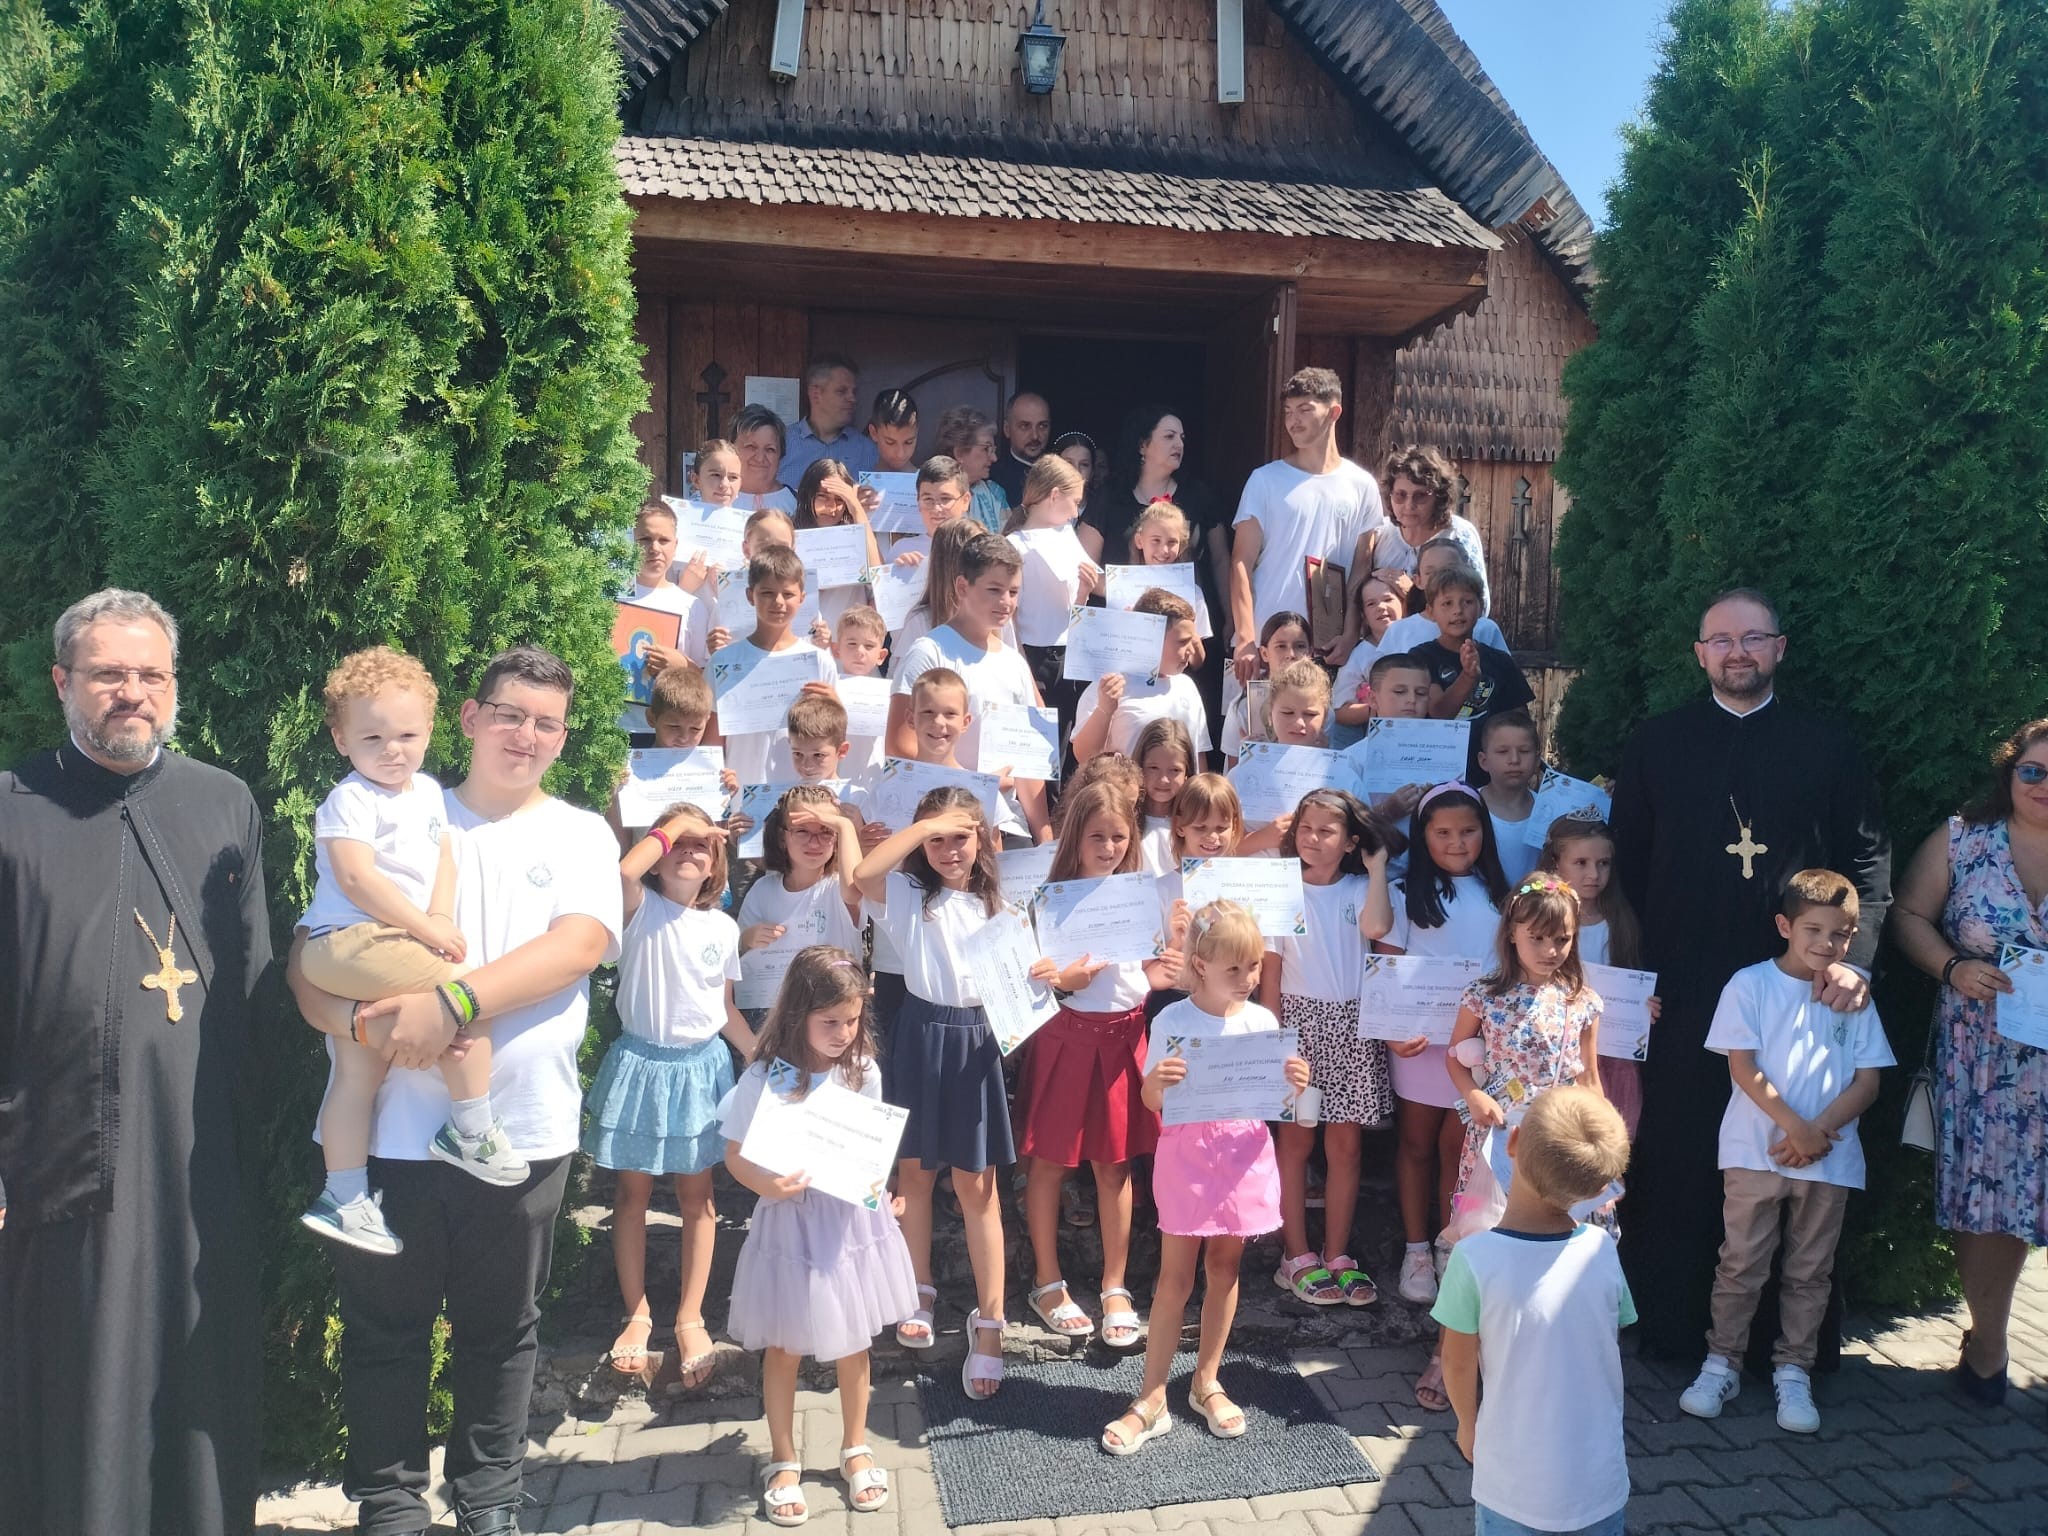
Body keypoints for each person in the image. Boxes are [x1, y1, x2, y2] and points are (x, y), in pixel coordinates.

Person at [286, 645, 621, 1536]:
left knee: (501, 1331)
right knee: (384, 1332)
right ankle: (391, 1507)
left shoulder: (580, 833)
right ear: (469, 719)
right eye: (510, 714)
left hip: (521, 1130)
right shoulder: (398, 808)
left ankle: (489, 1502)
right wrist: (361, 1026)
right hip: (390, 1134)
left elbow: (578, 947)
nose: (527, 735)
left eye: (547, 723)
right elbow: (307, 961)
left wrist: (451, 1003)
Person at [0, 589, 271, 1536]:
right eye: (109, 673)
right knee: (81, 1392)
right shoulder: (11, 809)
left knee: (199, 1387)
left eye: (152, 674)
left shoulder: (223, 801)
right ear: (62, 681)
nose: (133, 692)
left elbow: (253, 985)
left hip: (198, 1162)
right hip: (56, 1165)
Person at [1610, 586, 1890, 1362]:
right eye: (1722, 641)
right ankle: (1675, 1333)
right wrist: (1632, 983)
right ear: (1700, 654)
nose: (1737, 653)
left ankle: (1785, 1350)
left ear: (1779, 648)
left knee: (1790, 1150)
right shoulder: (1657, 743)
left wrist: (1854, 965)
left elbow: (1868, 861)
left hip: (1803, 991)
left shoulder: (1827, 747)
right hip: (1683, 988)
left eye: (1753, 638)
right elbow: (1624, 870)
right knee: (1681, 1154)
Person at [298, 648, 517, 1260]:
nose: (392, 750)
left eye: (407, 735)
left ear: (429, 731)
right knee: (468, 995)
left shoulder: (426, 793)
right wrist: (425, 928)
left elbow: (443, 860)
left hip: (381, 947)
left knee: (357, 1073)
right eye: (372, 738)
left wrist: (440, 917)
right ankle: (470, 1126)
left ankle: (343, 1197)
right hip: (349, 943)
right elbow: (357, 878)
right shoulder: (351, 799)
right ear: (341, 740)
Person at [852, 790, 1059, 1399]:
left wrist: (1047, 975)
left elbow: (1030, 982)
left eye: (960, 837)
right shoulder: (909, 896)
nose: (948, 850)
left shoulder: (1005, 908)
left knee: (978, 1185)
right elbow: (862, 873)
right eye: (936, 839)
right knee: (915, 1173)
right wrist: (925, 828)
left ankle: (989, 1320)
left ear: (984, 839)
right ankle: (918, 1289)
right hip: (919, 1034)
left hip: (976, 1042)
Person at [1676, 868, 1890, 1436]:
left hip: (1830, 1159)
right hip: (1754, 1152)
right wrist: (1797, 1129)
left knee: (1810, 1270)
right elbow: (1743, 1067)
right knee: (1740, 1263)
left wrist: (1818, 1132)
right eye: (1813, 929)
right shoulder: (1749, 984)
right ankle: (1721, 1362)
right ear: (1784, 925)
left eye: (1840, 934)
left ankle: (1794, 1369)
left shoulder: (1854, 995)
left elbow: (1868, 1082)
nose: (1826, 943)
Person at [1100, 901, 1310, 1454]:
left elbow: (1278, 1101)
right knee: (1174, 1278)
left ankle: (1206, 1380)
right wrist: (1159, 1081)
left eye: (1253, 966)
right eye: (1233, 968)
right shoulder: (1172, 1020)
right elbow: (1150, 1099)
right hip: (1188, 1158)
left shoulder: (1263, 1022)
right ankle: (1151, 1397)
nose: (1247, 978)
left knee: (1225, 1267)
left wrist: (1295, 1082)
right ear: (1200, 965)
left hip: (1244, 1155)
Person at [720, 945, 919, 1526]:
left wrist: (881, 1191)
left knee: (855, 1338)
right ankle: (783, 1459)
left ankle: (855, 1446)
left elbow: (870, 1148)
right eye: (829, 1021)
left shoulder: (863, 1071)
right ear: (798, 1013)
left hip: (850, 1225)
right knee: (784, 1346)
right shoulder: (766, 1076)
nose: (843, 1032)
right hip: (790, 1224)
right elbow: (734, 1155)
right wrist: (768, 1184)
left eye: (852, 1020)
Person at [1886, 716, 2048, 1407]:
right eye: (2033, 771)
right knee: (1987, 1203)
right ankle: (1988, 1343)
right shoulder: (1962, 841)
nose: (2043, 785)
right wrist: (1952, 967)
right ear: (2010, 774)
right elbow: (1907, 916)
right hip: (1984, 1060)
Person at [1017, 781, 1187, 1349]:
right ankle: (1047, 1282)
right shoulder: (1049, 898)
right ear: (1075, 837)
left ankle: (1115, 1285)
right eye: (1097, 836)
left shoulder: (1141, 895)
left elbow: (1143, 976)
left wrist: (1166, 964)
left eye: (1118, 837)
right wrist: (1064, 981)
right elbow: (1028, 981)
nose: (1109, 847)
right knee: (1049, 1163)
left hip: (1125, 1040)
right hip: (1067, 1039)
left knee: (1115, 1166)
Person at [585, 803, 749, 1389]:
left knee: (698, 1198)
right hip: (643, 1067)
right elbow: (620, 872)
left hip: (702, 1071)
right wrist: (676, 826)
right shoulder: (639, 907)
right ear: (658, 857)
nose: (689, 851)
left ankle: (689, 1316)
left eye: (703, 845)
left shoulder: (723, 928)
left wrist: (760, 1055)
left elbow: (724, 1009)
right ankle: (636, 1313)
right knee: (631, 1196)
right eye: (679, 843)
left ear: (717, 864)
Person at [1434, 1087, 1636, 1536]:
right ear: (1599, 1188)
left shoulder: (1473, 1258)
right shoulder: (1603, 1250)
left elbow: (1457, 1361)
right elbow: (1611, 1332)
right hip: (1599, 1478)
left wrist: (1467, 1424)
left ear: (1512, 1142)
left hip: (1512, 1484)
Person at [1374, 784, 1511, 1345]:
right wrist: (1393, 1031)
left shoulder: (1503, 895)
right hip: (1419, 1044)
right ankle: (1414, 1249)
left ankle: (1449, 1242)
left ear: (1485, 834)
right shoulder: (1406, 894)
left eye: (1468, 831)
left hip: (1474, 1046)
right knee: (1415, 1144)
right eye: (1443, 833)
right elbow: (1387, 965)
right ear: (1423, 836)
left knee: (1460, 1151)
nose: (1457, 842)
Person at [1264, 790, 1396, 1309]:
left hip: (1354, 1027)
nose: (1313, 839)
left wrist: (1378, 868)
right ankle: (1294, 1255)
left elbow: (1378, 928)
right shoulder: (1280, 892)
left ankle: (1337, 1254)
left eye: (1326, 831)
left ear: (1349, 841)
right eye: (1305, 829)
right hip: (1298, 1028)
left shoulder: (1362, 888)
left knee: (1346, 1148)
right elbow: (1270, 976)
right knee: (1295, 1144)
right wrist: (1277, 1041)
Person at [886, 533, 1052, 845]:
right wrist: (978, 785)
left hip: (1007, 826)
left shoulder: (1014, 663)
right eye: (994, 590)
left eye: (1013, 592)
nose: (1006, 602)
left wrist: (1043, 836)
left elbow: (1029, 764)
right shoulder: (929, 652)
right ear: (963, 587)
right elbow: (899, 747)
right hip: (944, 830)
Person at [1229, 369, 1384, 682]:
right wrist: (1245, 637)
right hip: (1265, 645)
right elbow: (1241, 562)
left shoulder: (1362, 485)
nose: (1293, 421)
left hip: (1328, 646)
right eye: (1288, 411)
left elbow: (1361, 567)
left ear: (1334, 412)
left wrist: (1351, 632)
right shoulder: (1264, 479)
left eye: (1304, 410)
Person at [1104, 406, 1229, 730]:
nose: (1179, 444)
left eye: (1182, 438)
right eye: (1169, 436)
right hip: (1130, 693)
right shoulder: (1113, 497)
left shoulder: (1198, 496)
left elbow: (1198, 659)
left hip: (1176, 691)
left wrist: (1200, 632)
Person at [1538, 812, 1657, 1139]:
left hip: (1611, 1054)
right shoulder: (1541, 921)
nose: (1593, 874)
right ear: (1555, 863)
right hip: (1557, 1054)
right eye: (1581, 863)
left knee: (1607, 1141)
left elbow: (1630, 977)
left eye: (1603, 864)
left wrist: (1642, 1006)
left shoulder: (1620, 920)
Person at [705, 545, 840, 785]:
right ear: (750, 595)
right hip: (741, 791)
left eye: (788, 594)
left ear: (802, 598)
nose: (778, 602)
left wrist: (835, 704)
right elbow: (712, 744)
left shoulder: (819, 661)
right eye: (767, 593)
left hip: (802, 797)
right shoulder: (724, 662)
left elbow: (833, 740)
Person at [1004, 453, 1100, 743]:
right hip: (1033, 654)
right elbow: (1010, 617)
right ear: (1055, 495)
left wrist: (1084, 592)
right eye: (1074, 502)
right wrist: (1023, 667)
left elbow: (1073, 606)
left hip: (1069, 653)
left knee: (1064, 740)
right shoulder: (1015, 545)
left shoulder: (1066, 535)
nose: (1076, 513)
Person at [1350, 445, 1491, 628]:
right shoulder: (1379, 533)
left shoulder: (1458, 535)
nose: (1409, 505)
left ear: (1438, 497)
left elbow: (1480, 605)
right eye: (1400, 495)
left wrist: (1414, 593)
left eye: (1420, 496)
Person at [1071, 588, 1210, 764]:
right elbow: (1084, 756)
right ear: (1151, 638)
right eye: (1183, 642)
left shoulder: (1187, 686)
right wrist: (1105, 709)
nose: (1191, 650)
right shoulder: (1110, 686)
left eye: (1192, 641)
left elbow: (1198, 754)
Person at [1408, 566, 1534, 756]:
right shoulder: (1421, 657)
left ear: (1481, 607)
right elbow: (1439, 714)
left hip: (1490, 766)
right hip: (1438, 760)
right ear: (1431, 611)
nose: (1458, 610)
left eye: (1467, 602)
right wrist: (1468, 677)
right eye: (1447, 603)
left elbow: (1520, 721)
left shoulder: (1501, 661)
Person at [1377, 535, 1511, 656]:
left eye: (1448, 570)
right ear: (1418, 580)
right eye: (1430, 573)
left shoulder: (1486, 629)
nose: (1441, 578)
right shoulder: (1399, 631)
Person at [792, 457, 884, 631]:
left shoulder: (857, 537)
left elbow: (879, 578)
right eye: (822, 496)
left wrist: (856, 507)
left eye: (840, 500)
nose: (832, 507)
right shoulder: (789, 534)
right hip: (802, 636)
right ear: (807, 494)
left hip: (848, 640)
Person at [1221, 610, 1313, 764]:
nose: (1291, 654)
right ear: (1264, 653)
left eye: (1300, 646)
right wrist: (1247, 756)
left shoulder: (1320, 706)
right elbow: (1231, 770)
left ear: (1310, 653)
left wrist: (1322, 751)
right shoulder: (1242, 707)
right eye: (1281, 646)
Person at [783, 353, 879, 481]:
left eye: (854, 392)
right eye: (841, 391)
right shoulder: (782, 444)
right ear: (816, 394)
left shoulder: (867, 450)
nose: (852, 398)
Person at [1474, 711, 1543, 882]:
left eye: (1524, 751)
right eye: (1503, 751)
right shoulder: (1468, 806)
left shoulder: (1548, 811)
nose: (1514, 760)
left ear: (1537, 760)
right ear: (1483, 761)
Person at [1133, 717, 1197, 875]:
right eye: (1153, 768)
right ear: (1139, 767)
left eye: (1174, 770)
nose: (1163, 780)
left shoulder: (1195, 823)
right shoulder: (1125, 819)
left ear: (1187, 773)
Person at [935, 405, 1007, 533]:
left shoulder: (994, 494)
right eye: (986, 449)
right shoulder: (931, 495)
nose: (994, 458)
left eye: (993, 450)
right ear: (959, 453)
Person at [731, 404, 801, 515]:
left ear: (780, 454)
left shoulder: (797, 504)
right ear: (732, 449)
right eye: (751, 446)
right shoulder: (712, 501)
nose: (760, 458)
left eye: (770, 449)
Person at [991, 389, 1051, 506]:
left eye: (1042, 426)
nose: (1035, 436)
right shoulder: (993, 480)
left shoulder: (1060, 475)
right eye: (1025, 426)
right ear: (1007, 429)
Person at [866, 388, 920, 473]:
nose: (900, 454)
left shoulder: (928, 481)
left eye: (909, 442)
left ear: (917, 432)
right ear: (874, 433)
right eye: (890, 442)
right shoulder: (855, 479)